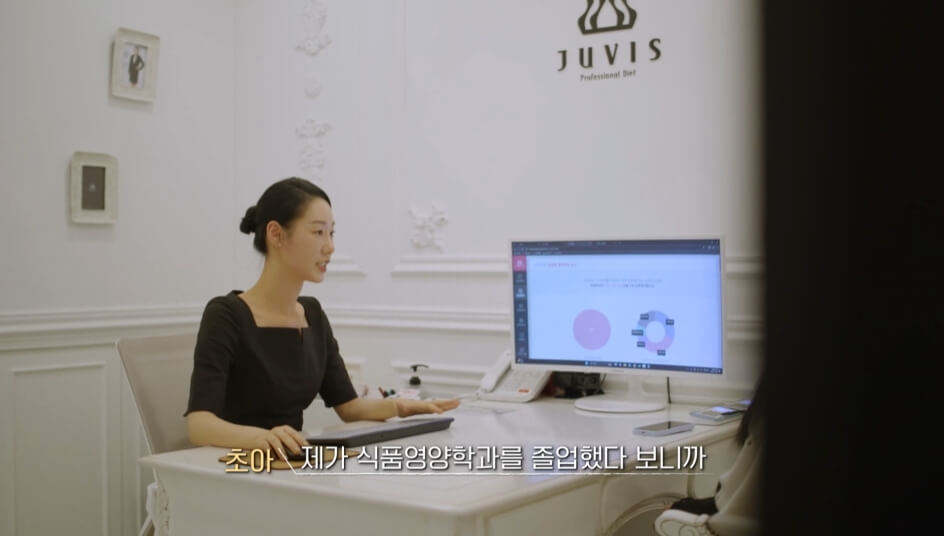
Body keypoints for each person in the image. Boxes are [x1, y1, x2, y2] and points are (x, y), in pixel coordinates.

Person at [185, 177, 459, 458]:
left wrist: (401, 407)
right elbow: (199, 425)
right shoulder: (226, 315)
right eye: (318, 232)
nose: (330, 247)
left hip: (293, 465)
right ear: (276, 235)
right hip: (234, 467)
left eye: (332, 233)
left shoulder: (312, 313)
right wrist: (262, 438)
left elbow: (349, 407)